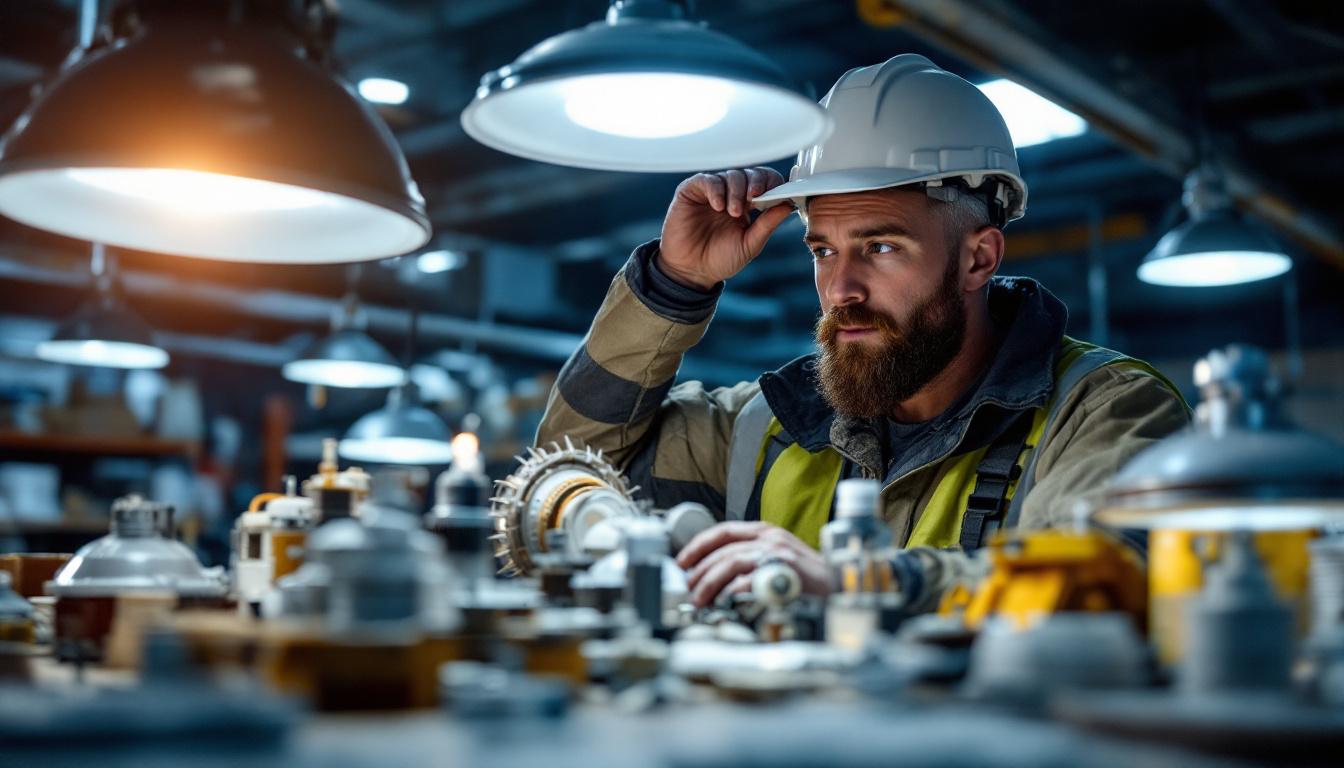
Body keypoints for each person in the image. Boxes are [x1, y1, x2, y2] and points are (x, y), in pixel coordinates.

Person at [536, 54, 1188, 611]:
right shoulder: (765, 429)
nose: (840, 289)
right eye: (823, 250)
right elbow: (565, 477)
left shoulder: (1101, 410)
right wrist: (674, 284)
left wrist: (860, 582)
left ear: (978, 259)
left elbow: (1115, 578)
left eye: (879, 247)